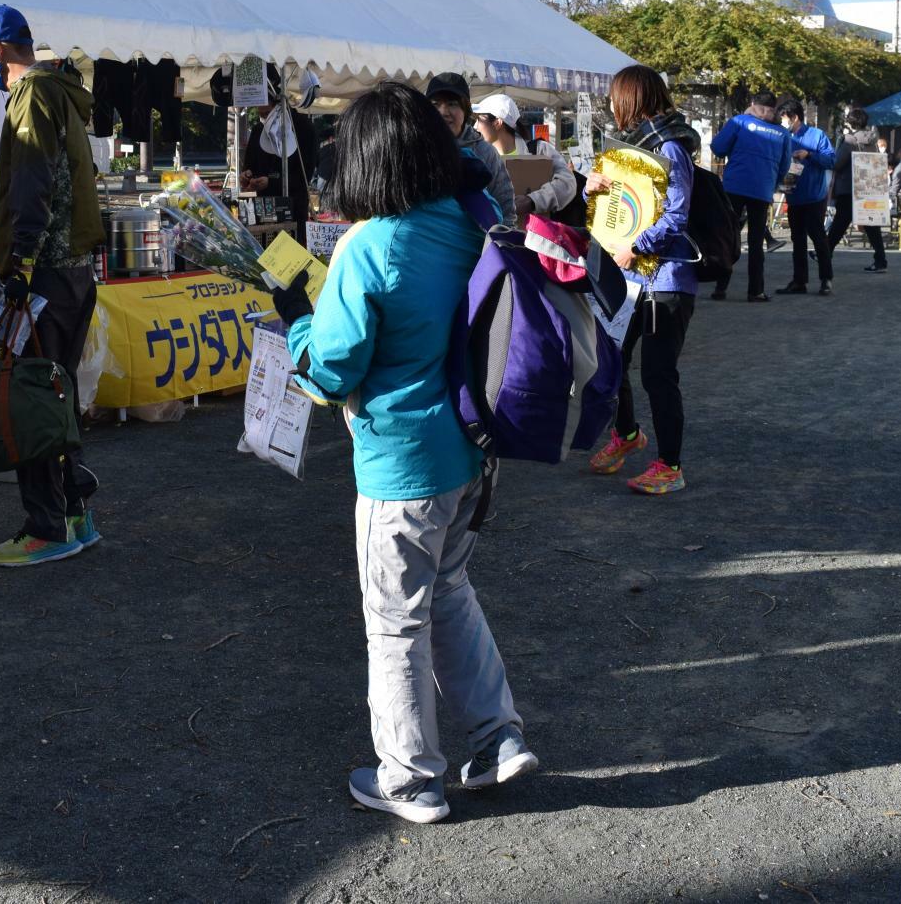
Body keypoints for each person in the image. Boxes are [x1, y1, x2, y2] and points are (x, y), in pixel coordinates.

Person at [272, 80, 531, 825]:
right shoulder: (466, 219)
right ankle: (497, 736)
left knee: (394, 621)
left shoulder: (368, 247)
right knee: (448, 590)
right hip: (470, 450)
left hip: (400, 465)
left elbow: (332, 368)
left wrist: (295, 321)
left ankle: (411, 778)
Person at [0, 5, 104, 568]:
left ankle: (47, 526)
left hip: (45, 274)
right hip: (71, 270)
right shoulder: (61, 92)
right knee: (56, 396)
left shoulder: (32, 95)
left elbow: (35, 181)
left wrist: (17, 263)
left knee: (30, 401)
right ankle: (74, 515)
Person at [583, 65, 698, 494]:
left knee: (657, 373)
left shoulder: (671, 146)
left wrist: (637, 246)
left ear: (632, 98)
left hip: (666, 278)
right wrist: (590, 187)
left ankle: (671, 466)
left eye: (616, 96)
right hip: (629, 279)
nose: (612, 105)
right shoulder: (628, 148)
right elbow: (606, 210)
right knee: (607, 360)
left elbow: (676, 214)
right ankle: (627, 434)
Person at [708, 91, 794, 302]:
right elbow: (784, 166)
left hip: (734, 186)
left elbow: (717, 147)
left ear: (753, 104)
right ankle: (756, 291)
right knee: (756, 242)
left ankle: (721, 287)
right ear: (773, 108)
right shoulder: (783, 134)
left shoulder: (739, 121)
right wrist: (772, 182)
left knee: (728, 236)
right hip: (762, 189)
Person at [469, 92, 577, 223]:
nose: (475, 126)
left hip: (535, 238)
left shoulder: (540, 150)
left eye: (479, 119)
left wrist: (532, 201)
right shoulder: (477, 157)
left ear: (497, 122)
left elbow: (568, 183)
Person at [240, 65, 317, 243]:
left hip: (294, 211)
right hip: (263, 212)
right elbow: (250, 164)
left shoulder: (303, 129)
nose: (264, 119)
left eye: (267, 113)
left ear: (279, 105)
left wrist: (271, 181)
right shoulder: (259, 130)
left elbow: (304, 176)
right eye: (260, 115)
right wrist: (247, 175)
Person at [426, 72, 515, 222]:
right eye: (435, 104)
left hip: (475, 241)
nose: (443, 112)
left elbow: (505, 209)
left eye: (452, 104)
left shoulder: (484, 153)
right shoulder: (416, 149)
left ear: (465, 110)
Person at [776, 99, 837, 295]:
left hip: (814, 196)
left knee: (819, 238)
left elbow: (831, 160)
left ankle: (826, 279)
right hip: (793, 195)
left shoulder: (817, 135)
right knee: (798, 240)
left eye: (784, 118)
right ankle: (799, 281)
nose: (783, 122)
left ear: (794, 117)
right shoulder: (783, 136)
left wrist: (809, 155)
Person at [828, 108, 888, 272]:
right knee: (871, 224)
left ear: (849, 122)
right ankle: (880, 260)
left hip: (849, 187)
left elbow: (837, 163)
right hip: (869, 187)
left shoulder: (849, 141)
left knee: (840, 222)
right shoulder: (872, 140)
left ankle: (824, 252)